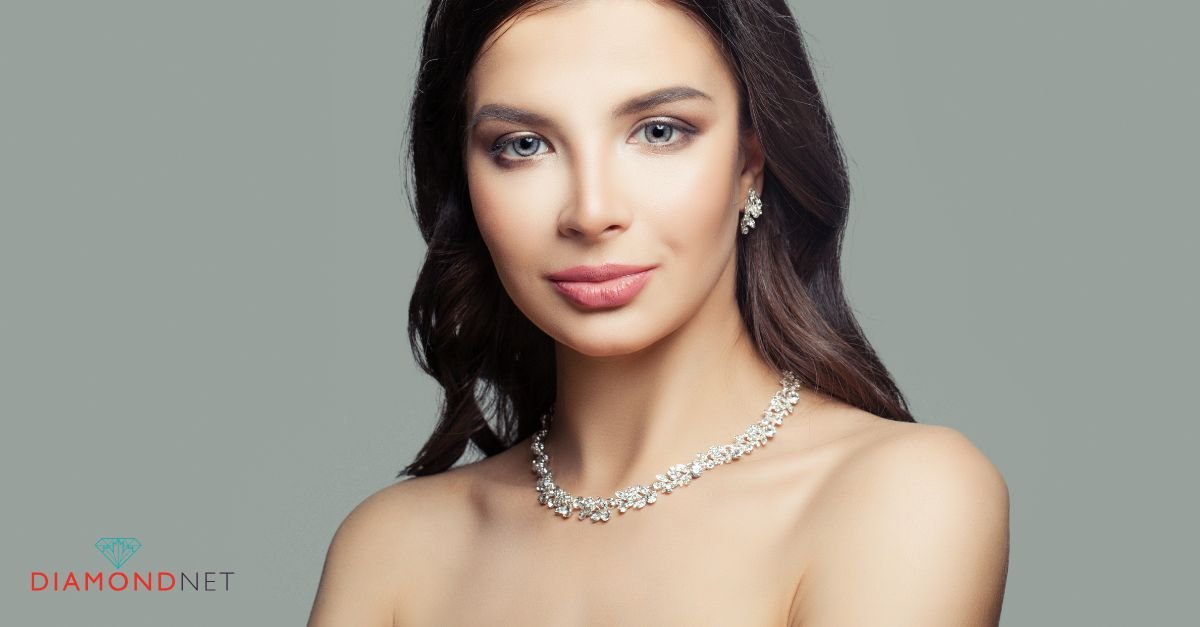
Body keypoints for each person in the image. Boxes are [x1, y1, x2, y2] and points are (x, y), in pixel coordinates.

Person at [308, 0, 1010, 624]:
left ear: (750, 164)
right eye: (524, 145)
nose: (591, 211)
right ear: (466, 178)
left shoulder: (899, 498)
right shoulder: (390, 550)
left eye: (659, 131)